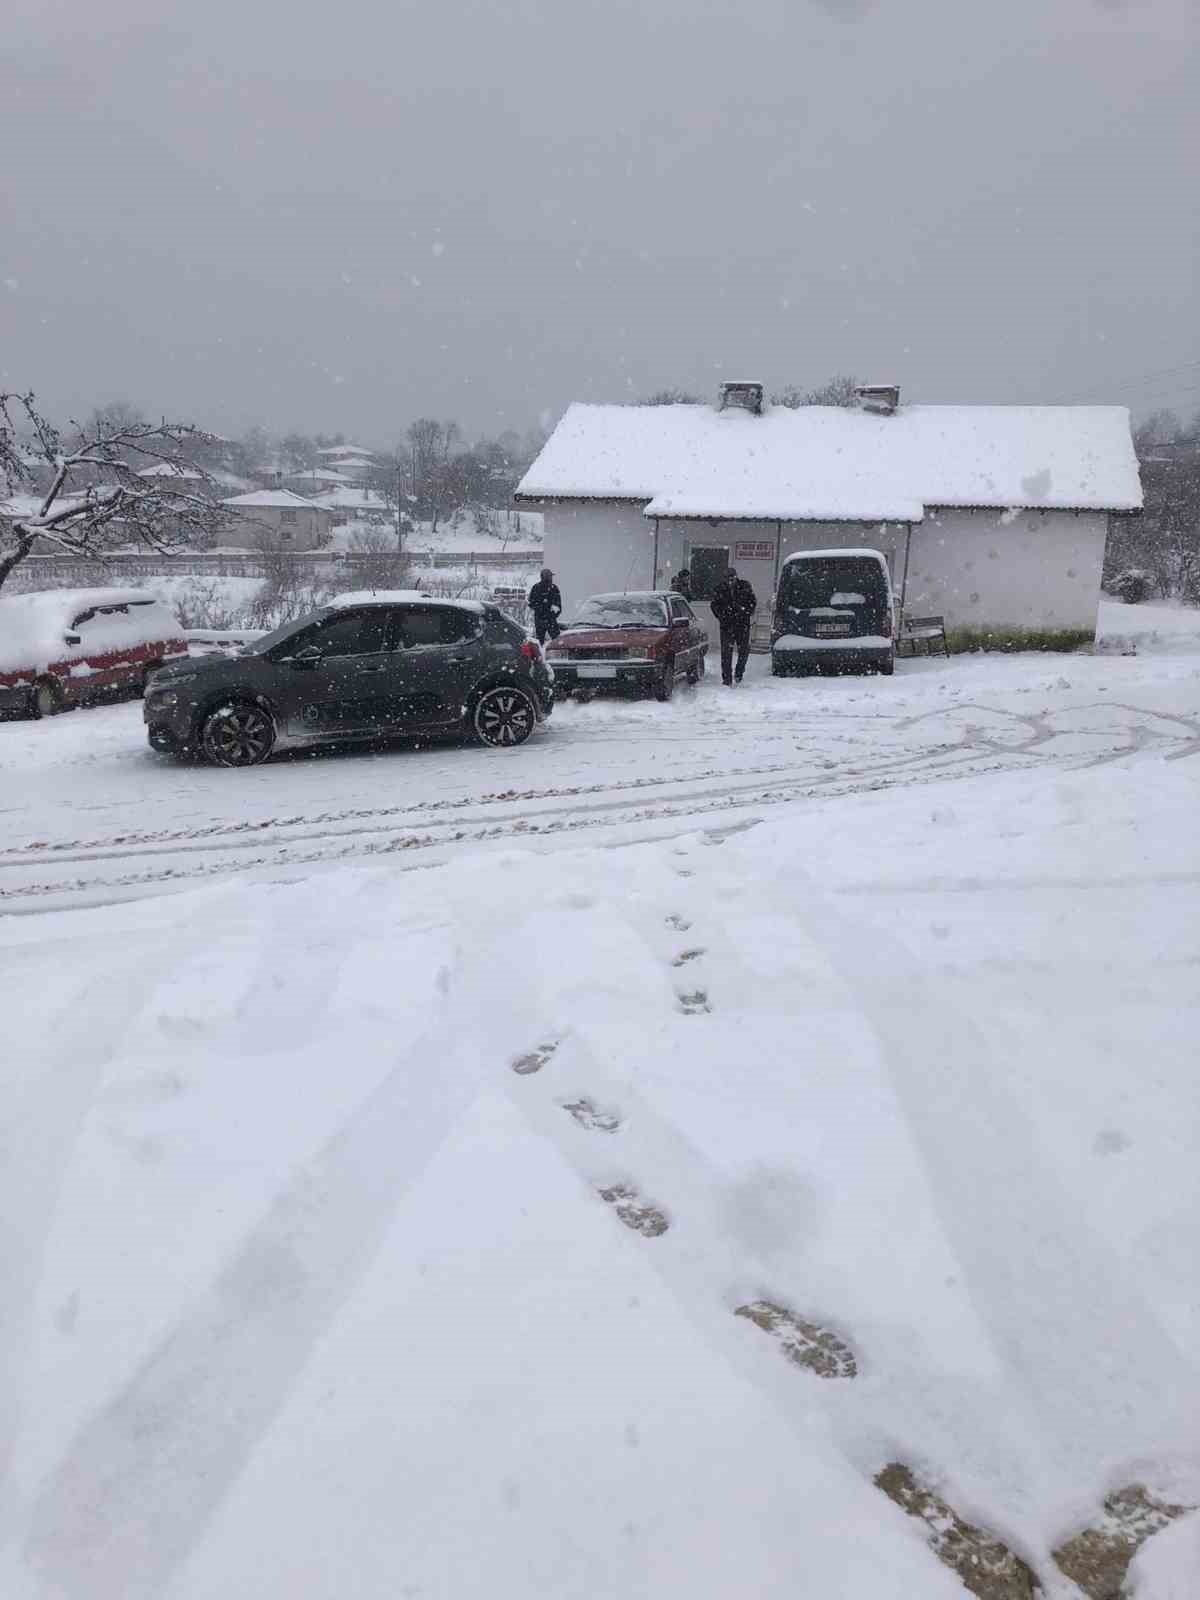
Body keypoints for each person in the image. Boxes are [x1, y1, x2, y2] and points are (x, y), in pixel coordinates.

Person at [709, 565, 757, 686]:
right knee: (726, 654)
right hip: (727, 626)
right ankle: (727, 679)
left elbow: (752, 602)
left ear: (736, 577)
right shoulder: (719, 589)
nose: (730, 580)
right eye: (727, 578)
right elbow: (714, 606)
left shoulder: (745, 586)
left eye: (732, 577)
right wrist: (722, 616)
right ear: (724, 579)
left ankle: (739, 673)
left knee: (744, 651)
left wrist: (745, 612)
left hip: (742, 625)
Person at [527, 568, 563, 644]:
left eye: (551, 576)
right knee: (542, 642)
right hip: (542, 620)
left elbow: (558, 606)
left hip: (549, 620)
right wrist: (544, 610)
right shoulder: (536, 588)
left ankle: (551, 653)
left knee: (557, 641)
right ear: (544, 577)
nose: (551, 578)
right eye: (550, 576)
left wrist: (553, 614)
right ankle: (541, 654)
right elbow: (531, 603)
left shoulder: (554, 588)